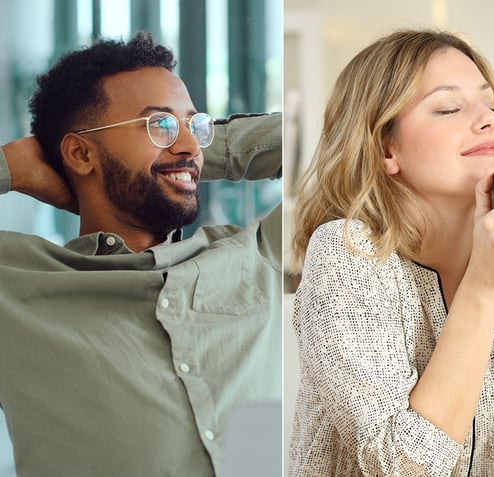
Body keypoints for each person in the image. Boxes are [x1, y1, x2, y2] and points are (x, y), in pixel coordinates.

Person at [0, 32, 282, 476]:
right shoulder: (15, 289)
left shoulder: (255, 253)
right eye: (160, 125)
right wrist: (13, 168)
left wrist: (197, 150)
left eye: (194, 125)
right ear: (79, 152)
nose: (190, 146)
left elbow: (344, 147)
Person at [288, 29, 494, 476]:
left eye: (491, 105)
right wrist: (483, 288)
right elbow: (401, 467)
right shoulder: (348, 254)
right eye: (449, 108)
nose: (487, 120)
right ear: (385, 149)